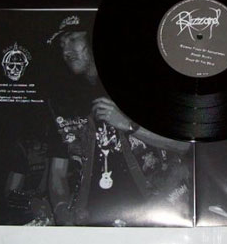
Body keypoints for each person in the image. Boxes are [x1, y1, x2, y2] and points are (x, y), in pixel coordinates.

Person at [46, 15, 191, 226]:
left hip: (157, 215)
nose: (65, 50)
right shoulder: (63, 103)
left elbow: (185, 145)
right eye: (61, 44)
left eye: (72, 39)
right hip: (92, 221)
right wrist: (61, 212)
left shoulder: (144, 85)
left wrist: (130, 126)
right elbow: (57, 172)